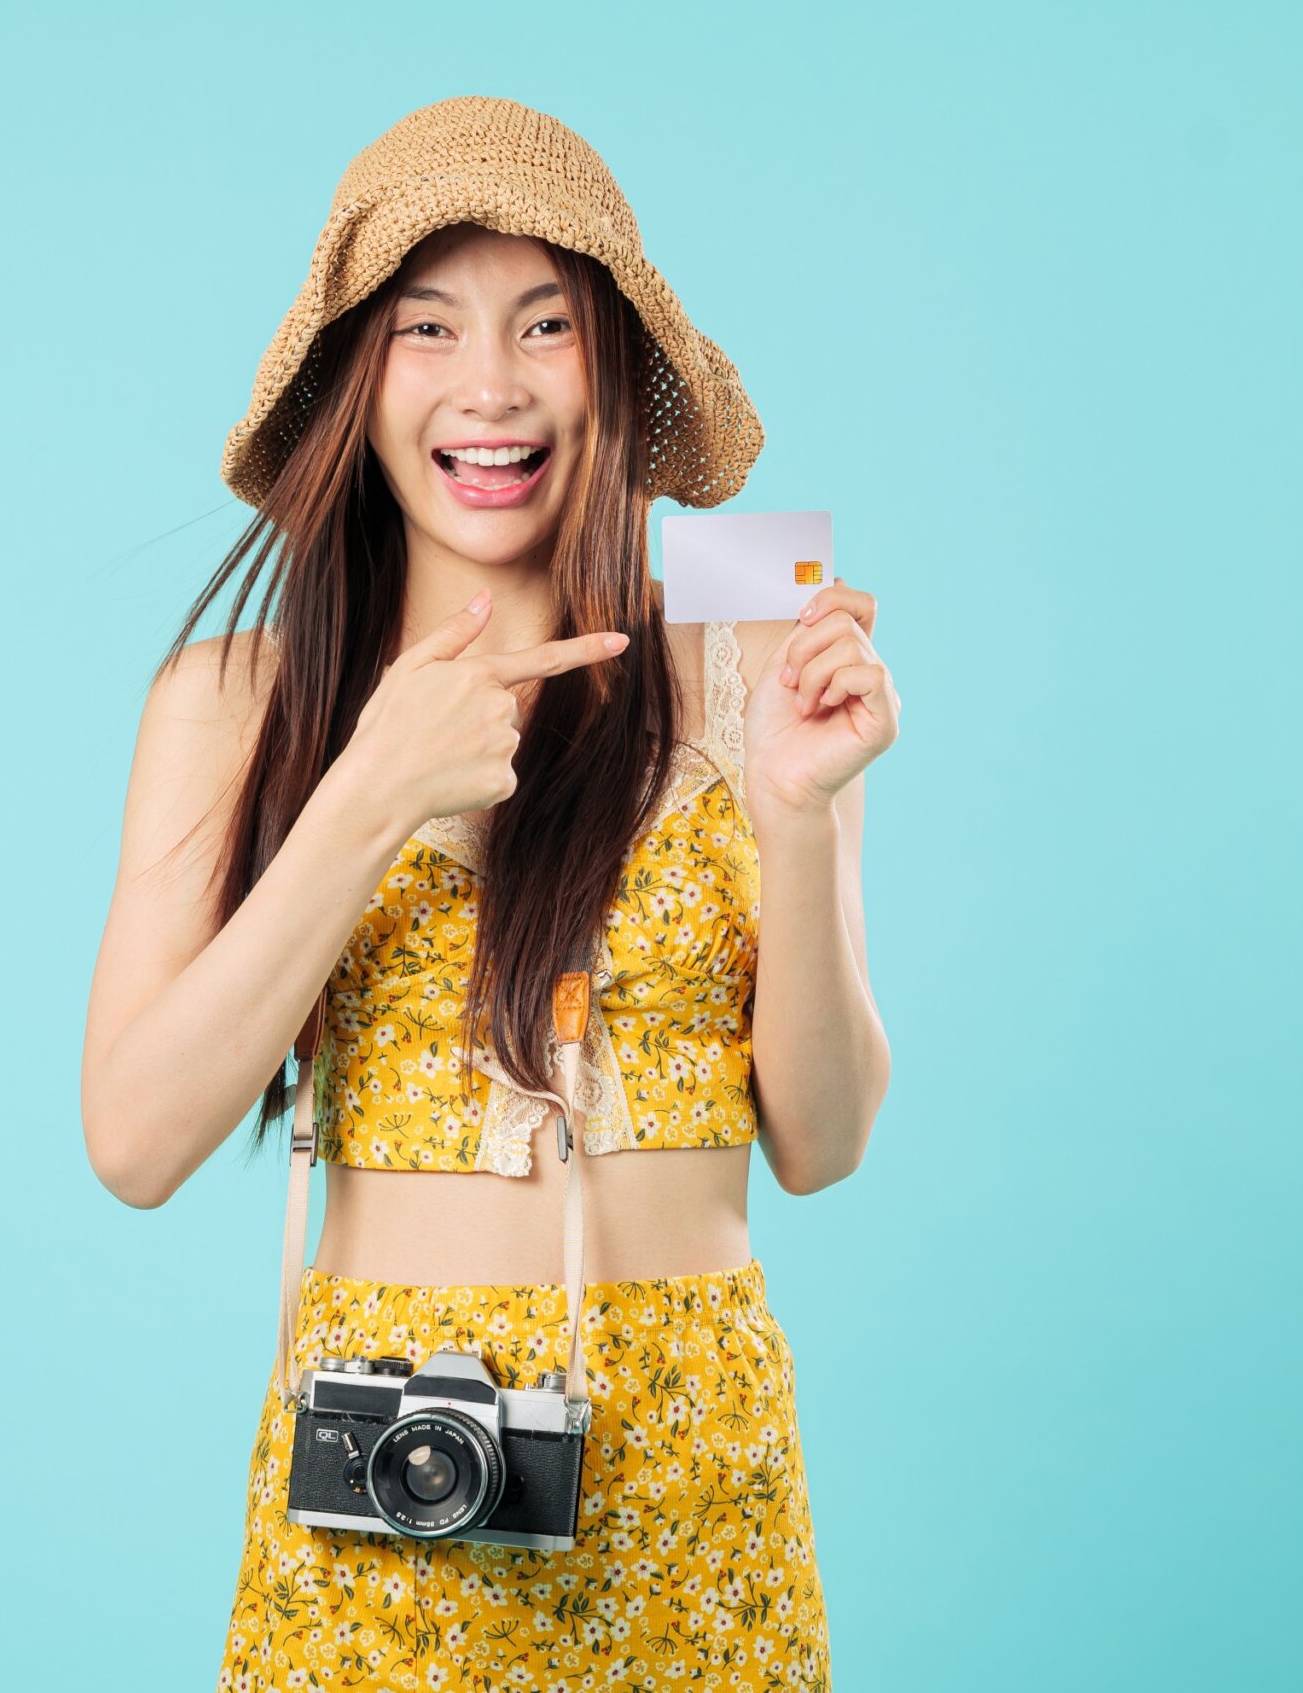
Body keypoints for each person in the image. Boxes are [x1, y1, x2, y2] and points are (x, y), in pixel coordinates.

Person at [81, 96, 896, 1691]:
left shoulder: (752, 645)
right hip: (382, 1473)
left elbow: (825, 1141)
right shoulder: (238, 698)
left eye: (547, 325)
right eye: (427, 327)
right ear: (356, 378)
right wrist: (371, 791)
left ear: (615, 367)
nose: (493, 387)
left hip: (694, 1492)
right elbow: (134, 1142)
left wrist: (798, 815)